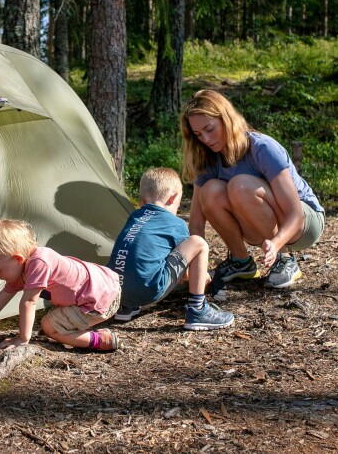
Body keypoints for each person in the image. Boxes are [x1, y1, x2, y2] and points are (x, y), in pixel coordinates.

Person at [180, 89, 325, 294]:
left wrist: (276, 244)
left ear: (226, 119)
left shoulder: (262, 147)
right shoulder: (208, 158)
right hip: (260, 227)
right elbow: (196, 221)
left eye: (209, 129)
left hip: (304, 223)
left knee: (239, 185)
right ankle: (241, 262)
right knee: (210, 191)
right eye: (198, 134)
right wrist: (195, 267)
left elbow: (296, 214)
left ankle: (285, 260)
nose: (206, 138)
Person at [0, 219, 121, 352]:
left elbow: (29, 302)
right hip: (97, 288)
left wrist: (22, 339)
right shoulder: (19, 269)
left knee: (49, 326)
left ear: (17, 259)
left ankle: (101, 340)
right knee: (52, 321)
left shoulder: (39, 261)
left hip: (99, 297)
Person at [107, 167, 234, 330]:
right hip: (149, 288)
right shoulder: (176, 223)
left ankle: (127, 307)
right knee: (198, 243)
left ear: (141, 201)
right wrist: (203, 276)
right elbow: (186, 269)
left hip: (116, 291)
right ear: (173, 198)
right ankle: (198, 309)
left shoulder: (135, 217)